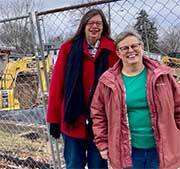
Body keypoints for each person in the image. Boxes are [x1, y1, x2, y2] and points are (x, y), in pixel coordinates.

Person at [90, 29, 180, 169]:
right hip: (128, 152)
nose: (130, 50)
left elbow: (178, 106)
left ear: (142, 47)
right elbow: (98, 114)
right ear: (118, 53)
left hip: (161, 149)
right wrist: (102, 144)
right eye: (124, 48)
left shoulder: (162, 75)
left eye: (134, 46)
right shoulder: (108, 81)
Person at [46, 8, 118, 169]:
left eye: (98, 23)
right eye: (90, 23)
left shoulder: (112, 50)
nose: (94, 26)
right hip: (73, 120)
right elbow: (57, 85)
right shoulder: (68, 48)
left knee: (98, 165)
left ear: (104, 26)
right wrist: (54, 119)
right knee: (73, 164)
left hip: (101, 123)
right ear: (83, 25)